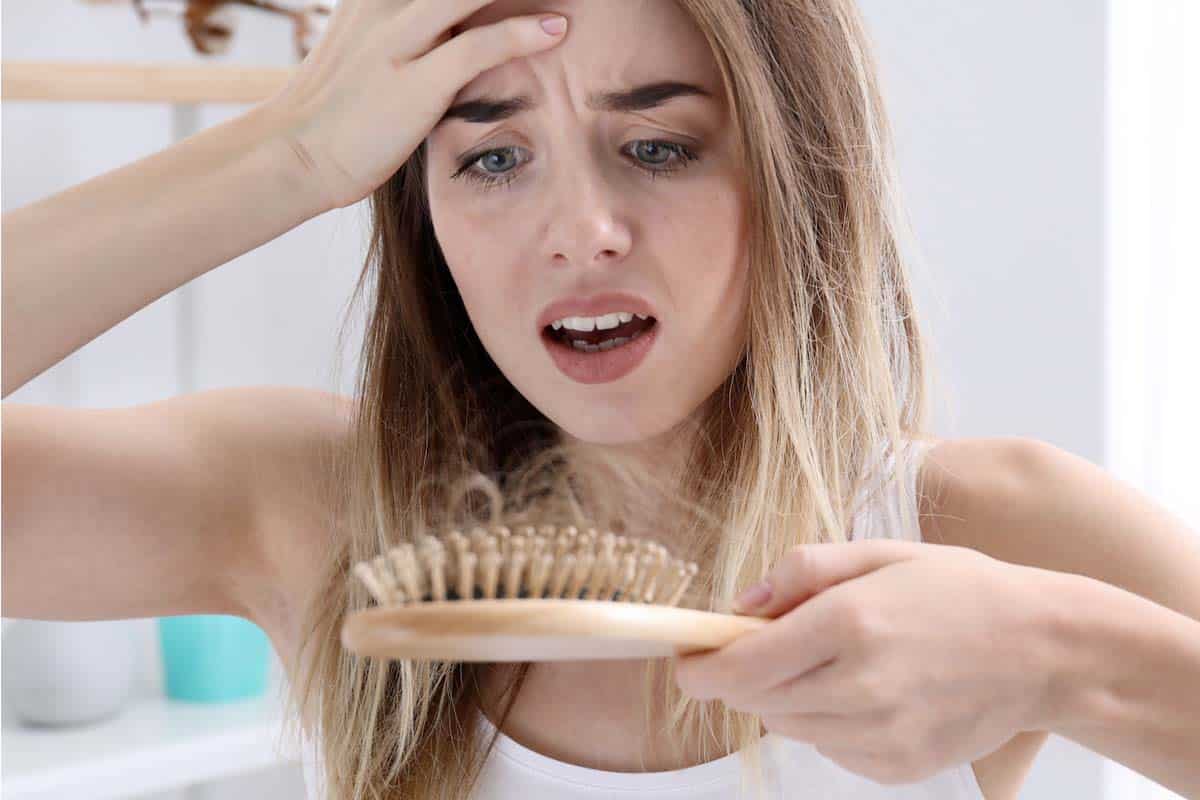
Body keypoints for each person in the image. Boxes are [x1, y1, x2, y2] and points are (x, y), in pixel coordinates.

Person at [4, 1, 1199, 798]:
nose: (581, 233)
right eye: (491, 156)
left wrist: (1061, 655)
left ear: (796, 175)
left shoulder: (987, 530)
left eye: (662, 146)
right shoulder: (314, 509)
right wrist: (289, 152)